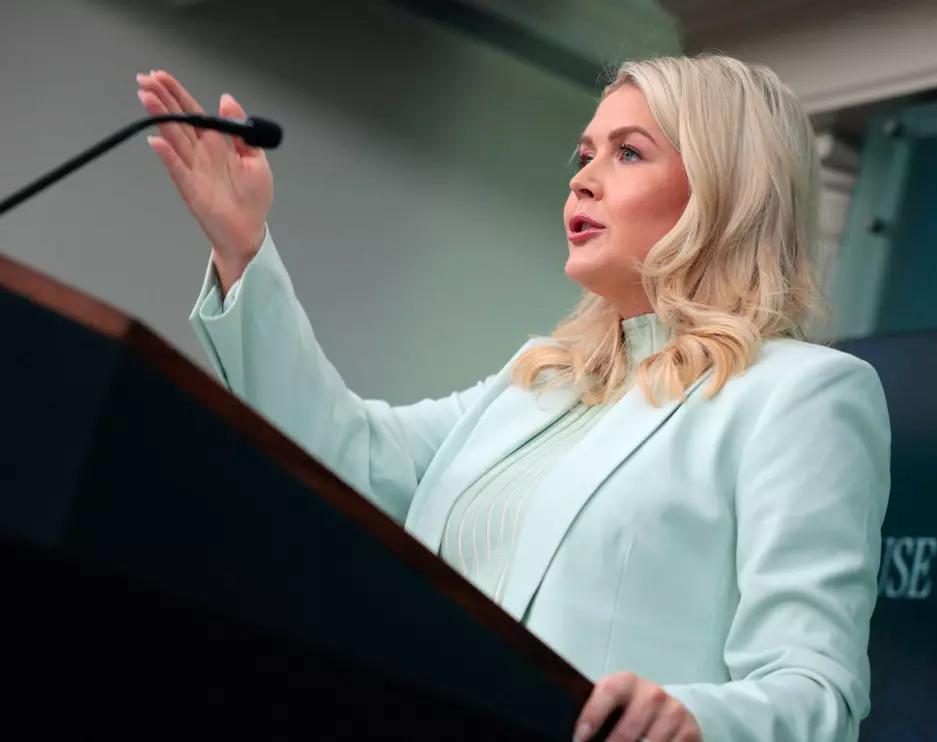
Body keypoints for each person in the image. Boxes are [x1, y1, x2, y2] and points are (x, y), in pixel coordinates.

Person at [137, 53, 891, 742]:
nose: (583, 178)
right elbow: (342, 457)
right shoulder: (540, 377)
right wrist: (242, 249)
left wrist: (696, 717)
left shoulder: (800, 394)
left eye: (628, 152)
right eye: (585, 154)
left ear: (727, 190)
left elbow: (814, 689)